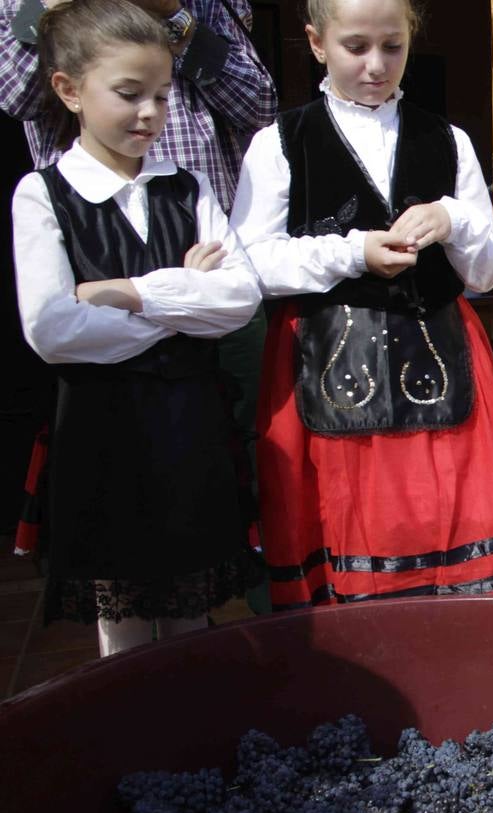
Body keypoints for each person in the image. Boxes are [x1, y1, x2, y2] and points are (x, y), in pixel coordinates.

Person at [230, 0, 493, 609]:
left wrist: (453, 217)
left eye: (393, 47)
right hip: (326, 361)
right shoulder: (278, 144)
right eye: (356, 47)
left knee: (449, 525)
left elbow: (487, 271)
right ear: (317, 43)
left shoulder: (447, 140)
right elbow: (253, 264)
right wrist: (351, 254)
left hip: (439, 353)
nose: (376, 65)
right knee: (349, 529)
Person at [0, 0, 276, 610]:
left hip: (189, 424)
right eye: (129, 94)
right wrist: (183, 299)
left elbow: (236, 298)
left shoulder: (188, 184)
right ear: (70, 91)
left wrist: (129, 294)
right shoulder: (42, 195)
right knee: (120, 608)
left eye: (162, 94)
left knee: (195, 595)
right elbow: (53, 328)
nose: (150, 112)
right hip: (103, 430)